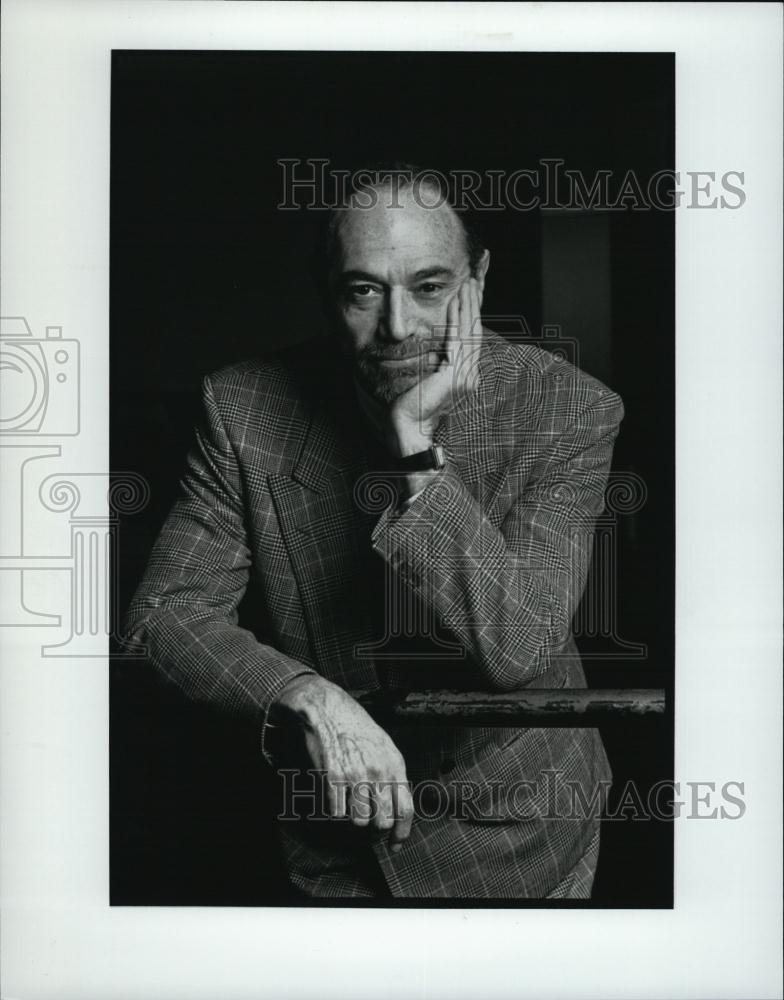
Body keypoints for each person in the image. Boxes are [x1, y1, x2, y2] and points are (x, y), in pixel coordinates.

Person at [124, 164, 624, 899]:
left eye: (429, 287)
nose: (397, 328)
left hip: (520, 838)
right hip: (332, 843)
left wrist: (415, 450)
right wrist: (303, 694)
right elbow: (163, 616)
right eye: (364, 290)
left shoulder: (566, 407)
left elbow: (519, 646)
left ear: (477, 279)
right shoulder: (243, 409)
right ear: (329, 290)